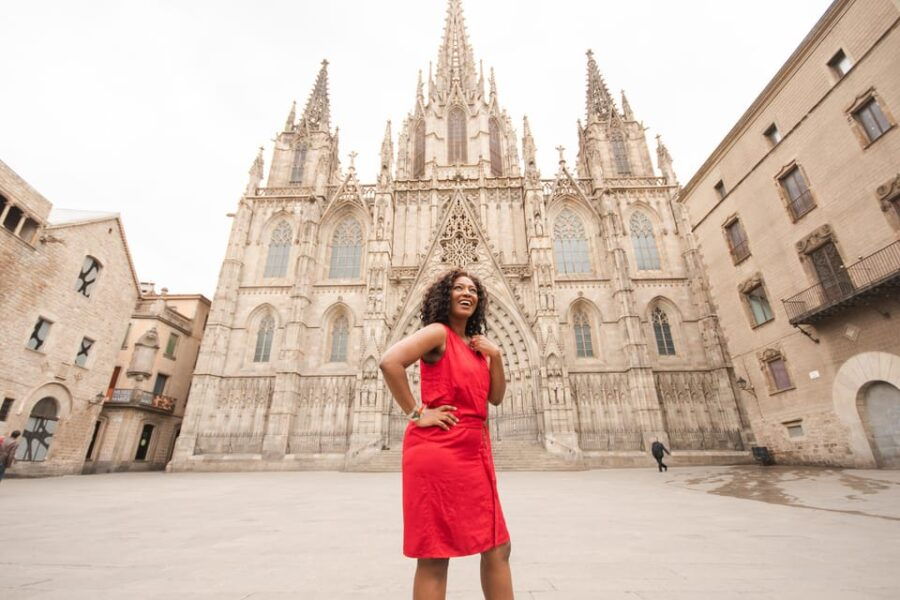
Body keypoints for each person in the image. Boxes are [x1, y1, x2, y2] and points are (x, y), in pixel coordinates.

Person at [380, 270, 514, 600]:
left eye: (473, 289)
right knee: (436, 555)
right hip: (440, 452)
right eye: (458, 288)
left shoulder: (478, 347)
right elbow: (389, 362)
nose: (466, 293)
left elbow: (495, 397)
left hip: (474, 453)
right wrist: (416, 413)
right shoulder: (436, 333)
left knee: (498, 545)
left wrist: (496, 356)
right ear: (446, 295)